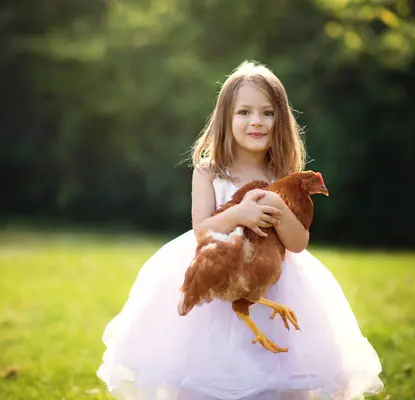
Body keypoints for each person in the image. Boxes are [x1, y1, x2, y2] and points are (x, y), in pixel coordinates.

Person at [96, 60, 384, 400]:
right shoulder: (209, 171)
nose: (256, 122)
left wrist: (278, 209)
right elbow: (202, 230)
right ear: (226, 118)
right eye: (244, 112)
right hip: (218, 280)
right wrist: (241, 214)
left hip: (275, 286)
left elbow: (298, 243)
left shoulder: (285, 173)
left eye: (267, 113)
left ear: (280, 120)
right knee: (204, 379)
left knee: (278, 383)